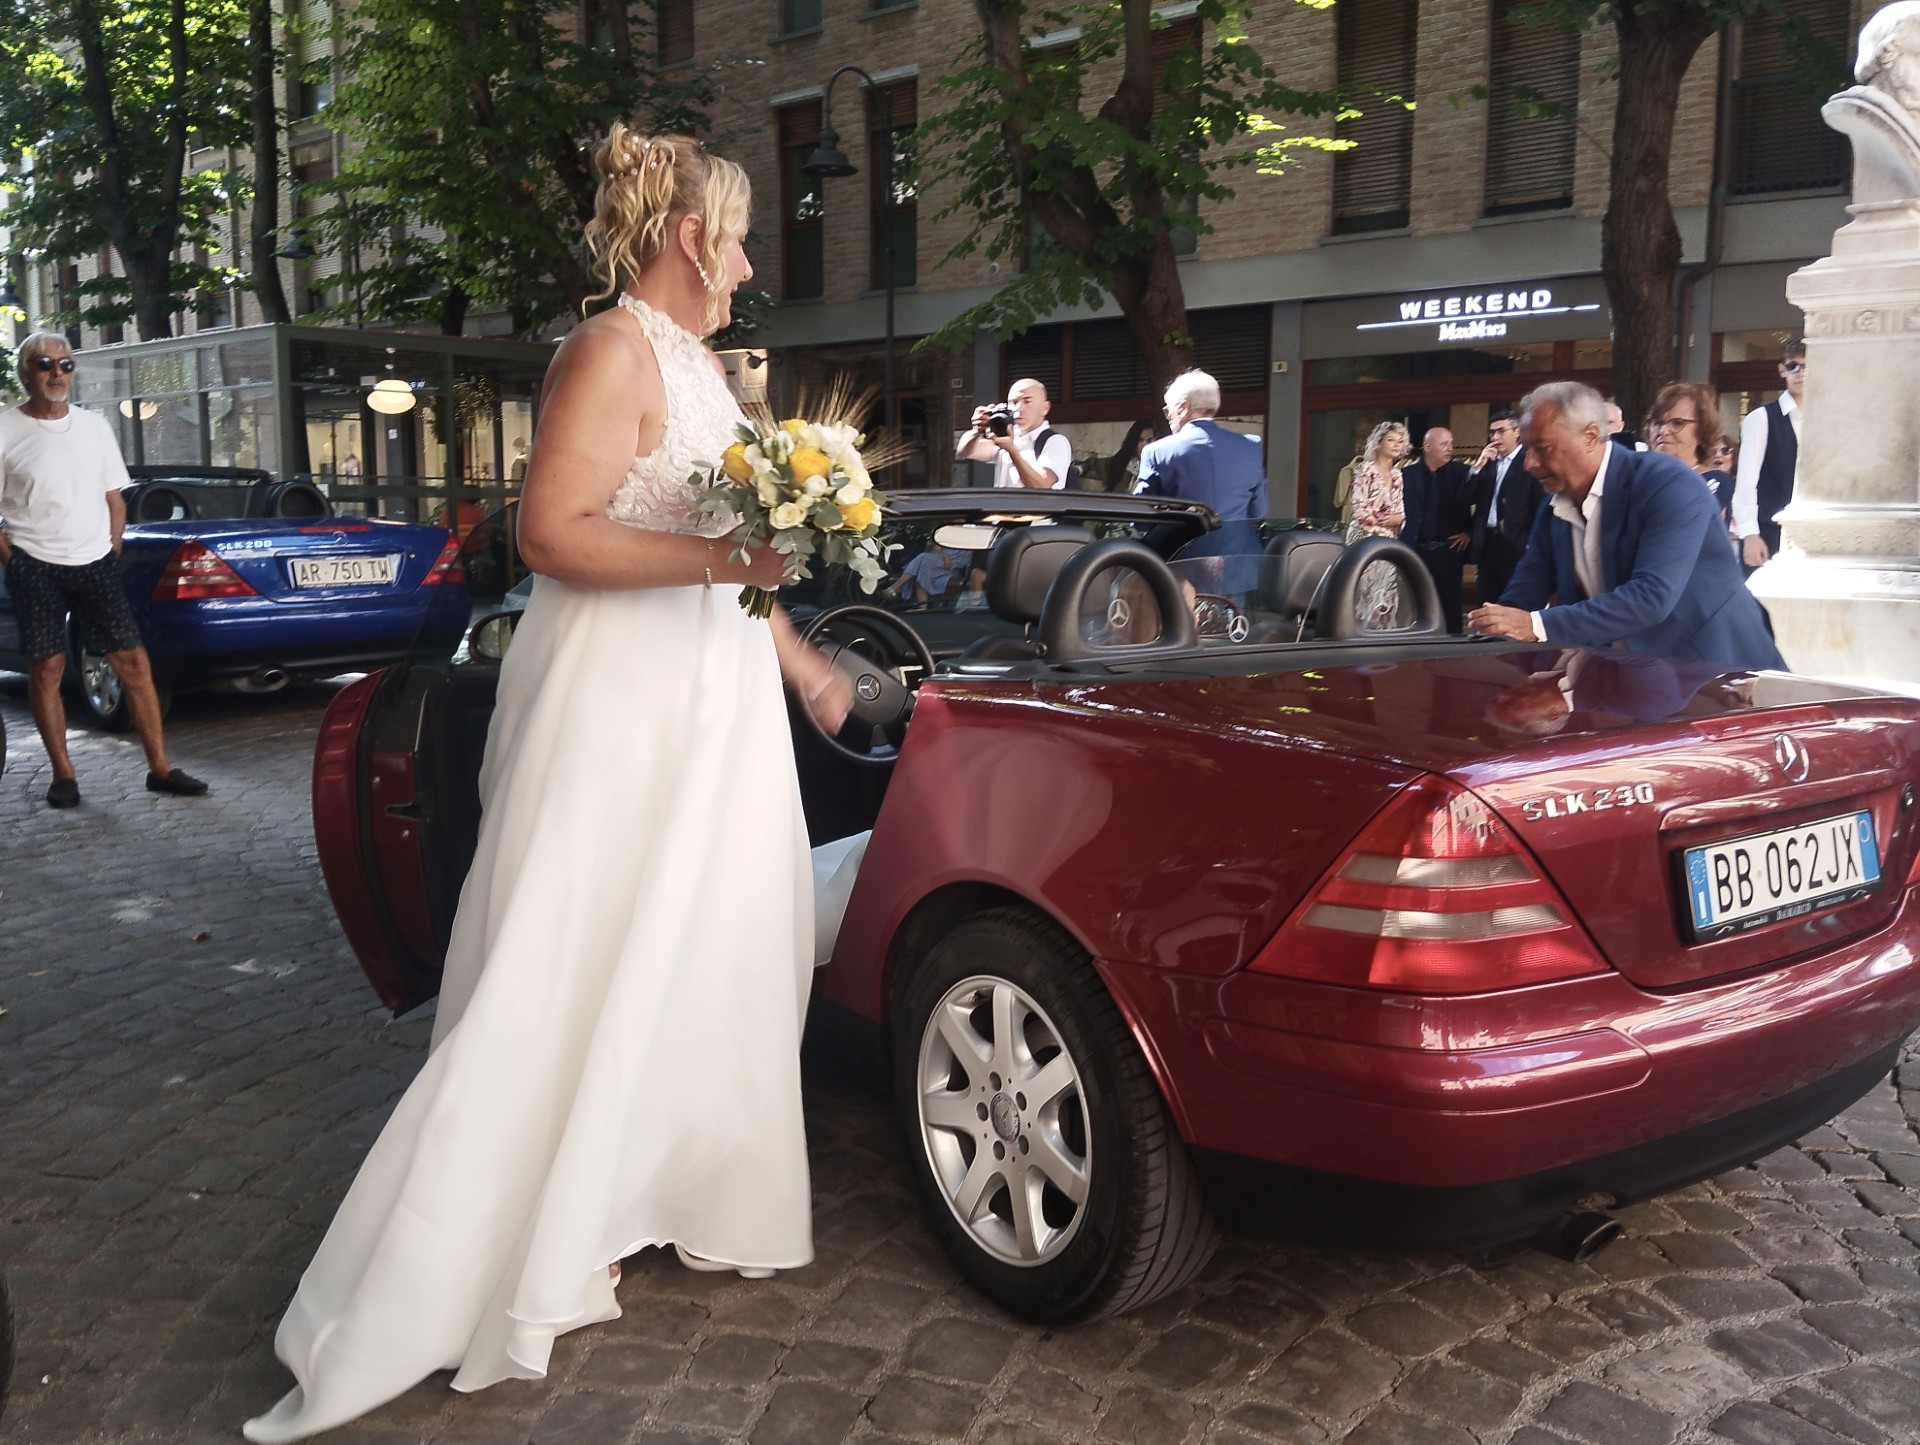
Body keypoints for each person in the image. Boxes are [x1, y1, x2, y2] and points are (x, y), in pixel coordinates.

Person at [243, 129, 854, 1443]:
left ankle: (644, 1185)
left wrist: (799, 658)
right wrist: (730, 568)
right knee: (582, 945)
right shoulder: (608, 351)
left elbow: (733, 551)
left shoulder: (705, 369)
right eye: (740, 239)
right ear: (690, 238)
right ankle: (527, 1220)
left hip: (717, 701)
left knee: (707, 941)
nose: (750, 266)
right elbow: (553, 534)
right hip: (620, 702)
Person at [0, 333, 207, 809]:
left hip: (94, 563)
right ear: (26, 373)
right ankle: (64, 775)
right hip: (35, 566)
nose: (57, 373)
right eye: (46, 364)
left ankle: (161, 769)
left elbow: (115, 497)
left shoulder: (94, 427)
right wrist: (14, 561)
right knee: (47, 669)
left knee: (134, 663)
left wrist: (112, 545)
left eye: (66, 364)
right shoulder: (6, 429)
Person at [1466, 381, 1785, 673]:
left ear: (1590, 436)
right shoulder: (1553, 509)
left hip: (1723, 679)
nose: (1529, 463)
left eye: (1543, 448)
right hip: (1635, 683)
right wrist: (1488, 634)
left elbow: (1651, 597)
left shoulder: (1669, 483)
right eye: (1527, 449)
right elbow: (1522, 597)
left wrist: (1536, 625)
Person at [1136, 370, 1268, 521]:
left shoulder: (1156, 451)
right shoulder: (1251, 446)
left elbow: (1141, 516)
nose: (1168, 417)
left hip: (1183, 537)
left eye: (1168, 410)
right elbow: (1258, 511)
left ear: (1183, 408)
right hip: (1239, 537)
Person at [1732, 336, 1806, 570]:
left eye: (1807, 366)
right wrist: (1750, 534)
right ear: (1782, 370)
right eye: (1793, 366)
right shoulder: (1761, 418)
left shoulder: (1826, 421)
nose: (1800, 373)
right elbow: (1746, 482)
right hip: (1767, 533)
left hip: (1809, 534)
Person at [1462, 407, 1545, 609]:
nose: (1495, 437)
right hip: (1488, 543)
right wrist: (1478, 466)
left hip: (1516, 544)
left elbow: (1539, 507)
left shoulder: (1529, 461)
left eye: (1501, 431)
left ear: (1517, 432)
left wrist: (1530, 543)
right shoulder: (1488, 462)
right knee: (1488, 600)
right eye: (1492, 432)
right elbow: (1465, 498)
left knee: (1514, 602)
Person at [1398, 425, 1472, 630]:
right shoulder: (1405, 475)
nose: (1450, 448)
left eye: (1451, 444)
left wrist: (1469, 531)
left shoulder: (1462, 473)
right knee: (1413, 601)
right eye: (1444, 444)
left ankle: (1452, 644)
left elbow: (1485, 502)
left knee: (1450, 605)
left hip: (1448, 549)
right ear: (1427, 446)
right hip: (1415, 549)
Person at [1345, 419, 1409, 629]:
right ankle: (1358, 633)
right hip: (1365, 539)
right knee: (1364, 591)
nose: (1396, 445)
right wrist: (1382, 521)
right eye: (1391, 440)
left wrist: (1397, 520)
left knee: (1386, 592)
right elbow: (1359, 507)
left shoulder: (1398, 475)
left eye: (1400, 441)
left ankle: (1383, 634)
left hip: (1388, 543)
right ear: (1378, 442)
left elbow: (1400, 513)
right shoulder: (1364, 469)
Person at [1646, 380, 1734, 532]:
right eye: (1658, 423)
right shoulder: (1639, 480)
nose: (1663, 431)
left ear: (1701, 430)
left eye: (1677, 423)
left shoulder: (1714, 481)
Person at [955, 377, 1072, 489]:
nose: (1019, 408)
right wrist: (977, 430)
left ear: (1044, 408)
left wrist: (1011, 450)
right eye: (1014, 402)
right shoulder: (1006, 437)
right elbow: (965, 451)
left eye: (1027, 401)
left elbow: (1041, 486)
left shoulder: (1055, 441)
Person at [889, 541, 965, 605]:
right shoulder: (947, 535)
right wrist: (944, 556)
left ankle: (894, 588)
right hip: (937, 563)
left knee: (923, 558)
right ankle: (922, 608)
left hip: (953, 569)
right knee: (922, 568)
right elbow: (935, 549)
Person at [1106, 416, 1165, 494]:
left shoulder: (1161, 469)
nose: (1145, 445)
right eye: (1140, 440)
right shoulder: (1119, 464)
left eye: (1149, 440)